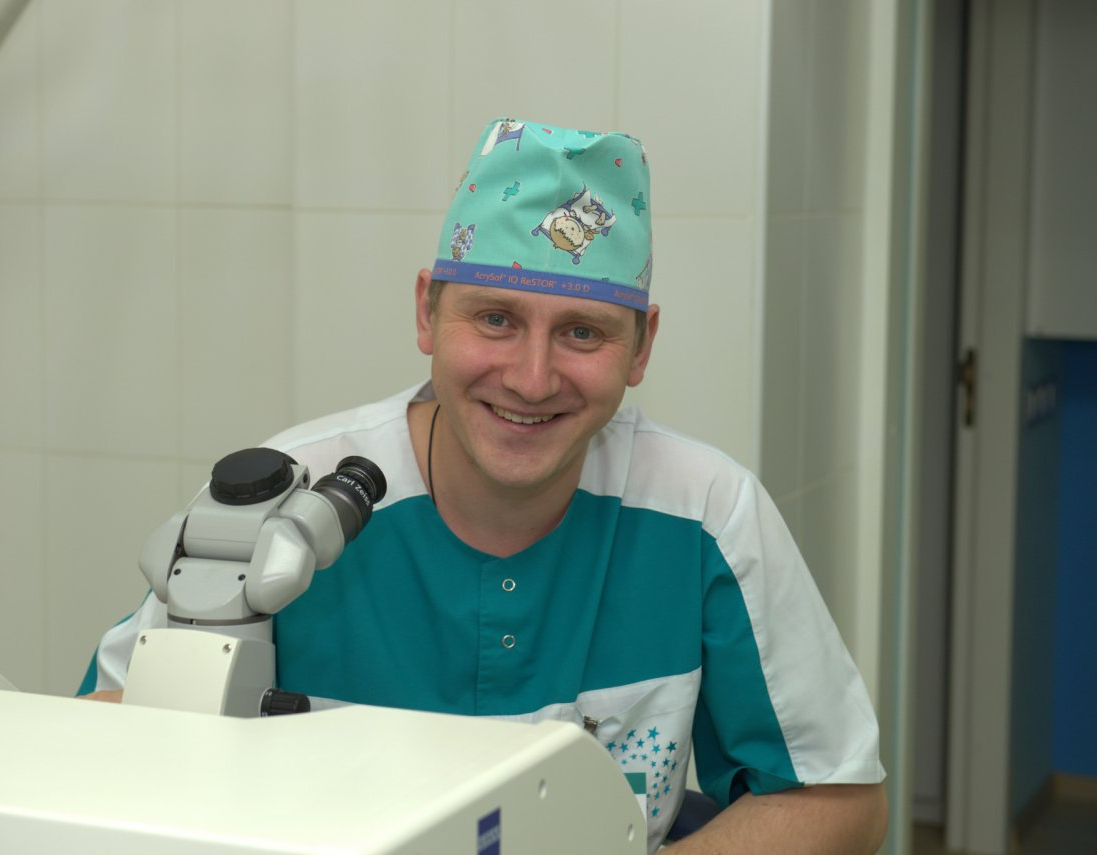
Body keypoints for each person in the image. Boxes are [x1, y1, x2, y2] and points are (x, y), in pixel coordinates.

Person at [79, 118, 887, 854]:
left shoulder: (705, 514)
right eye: (495, 319)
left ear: (641, 348)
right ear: (427, 313)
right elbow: (92, 743)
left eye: (582, 332)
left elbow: (838, 797)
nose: (532, 379)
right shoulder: (284, 511)